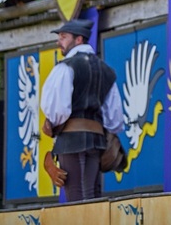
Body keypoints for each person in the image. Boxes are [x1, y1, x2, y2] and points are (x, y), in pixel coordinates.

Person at [40, 18, 124, 201]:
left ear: (78, 40)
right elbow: (115, 119)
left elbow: (57, 111)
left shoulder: (65, 67)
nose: (58, 42)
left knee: (76, 199)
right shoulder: (106, 71)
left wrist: (50, 124)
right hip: (97, 142)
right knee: (92, 196)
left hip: (70, 140)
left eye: (63, 37)